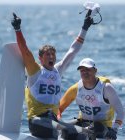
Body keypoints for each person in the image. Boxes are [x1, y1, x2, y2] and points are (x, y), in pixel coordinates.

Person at [11, 11, 93, 139]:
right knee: (60, 130)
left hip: (55, 121)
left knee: (85, 134)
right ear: (40, 58)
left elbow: (73, 50)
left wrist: (85, 28)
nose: (51, 57)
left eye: (53, 54)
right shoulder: (35, 71)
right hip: (37, 121)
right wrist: (17, 29)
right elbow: (24, 50)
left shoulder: (57, 70)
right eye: (47, 54)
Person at [59, 58, 125, 139]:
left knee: (92, 129)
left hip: (102, 127)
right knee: (65, 130)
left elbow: (121, 112)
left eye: (88, 69)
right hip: (83, 123)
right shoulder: (75, 89)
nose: (85, 72)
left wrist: (114, 130)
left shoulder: (106, 88)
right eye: (82, 70)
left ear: (95, 71)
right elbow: (59, 109)